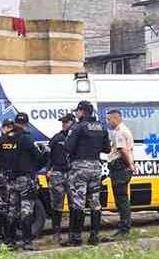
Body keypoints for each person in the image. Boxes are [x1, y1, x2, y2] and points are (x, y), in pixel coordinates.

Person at [63, 101, 110, 246]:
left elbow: (68, 147)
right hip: (96, 166)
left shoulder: (78, 127)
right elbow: (107, 149)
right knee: (95, 202)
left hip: (80, 167)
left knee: (78, 202)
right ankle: (94, 236)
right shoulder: (101, 126)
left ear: (82, 112)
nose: (77, 114)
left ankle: (76, 238)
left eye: (78, 111)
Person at [0, 113, 45, 251]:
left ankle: (10, 241)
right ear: (26, 125)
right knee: (26, 210)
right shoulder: (26, 139)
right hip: (25, 179)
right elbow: (39, 159)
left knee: (12, 210)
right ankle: (27, 242)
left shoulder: (5, 139)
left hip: (10, 180)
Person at [106, 109, 136, 238]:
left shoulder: (120, 132)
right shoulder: (123, 130)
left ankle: (124, 228)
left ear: (116, 118)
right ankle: (124, 225)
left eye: (109, 119)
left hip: (120, 167)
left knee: (121, 199)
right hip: (121, 167)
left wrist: (130, 165)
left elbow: (123, 150)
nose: (108, 122)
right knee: (121, 198)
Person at [46, 113, 75, 244]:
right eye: (62, 122)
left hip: (73, 173)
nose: (63, 124)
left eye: (66, 122)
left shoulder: (77, 136)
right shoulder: (57, 138)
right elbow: (48, 155)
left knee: (74, 204)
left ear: (72, 122)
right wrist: (48, 170)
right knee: (56, 205)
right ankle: (56, 233)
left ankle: (73, 233)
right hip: (57, 173)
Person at [0, 119, 15, 247]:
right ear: (2, 128)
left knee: (11, 209)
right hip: (2, 179)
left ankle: (9, 238)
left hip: (12, 179)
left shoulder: (13, 142)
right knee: (1, 209)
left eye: (11, 127)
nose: (9, 130)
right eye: (7, 127)